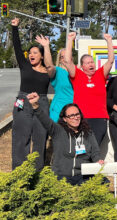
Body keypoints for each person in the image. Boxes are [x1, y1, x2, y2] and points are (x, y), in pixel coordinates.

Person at [27, 92, 104, 185]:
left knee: (104, 182)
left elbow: (95, 152)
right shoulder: (58, 131)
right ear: (64, 119)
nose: (75, 117)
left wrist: (98, 160)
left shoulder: (88, 132)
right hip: (62, 176)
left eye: (77, 114)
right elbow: (45, 121)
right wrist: (35, 105)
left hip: (82, 175)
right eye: (71, 116)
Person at [11, 18, 50, 170]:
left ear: (41, 56)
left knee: (40, 139)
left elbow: (52, 65)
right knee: (21, 138)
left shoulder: (49, 71)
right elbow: (17, 47)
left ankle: (37, 173)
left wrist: (46, 47)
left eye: (35, 53)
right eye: (30, 53)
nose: (31, 55)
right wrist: (15, 28)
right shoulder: (25, 65)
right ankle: (20, 174)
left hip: (41, 105)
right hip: (23, 101)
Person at [64, 32, 114, 145]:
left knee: (95, 147)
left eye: (92, 62)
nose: (91, 64)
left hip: (99, 118)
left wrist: (109, 41)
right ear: (82, 66)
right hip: (81, 118)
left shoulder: (100, 74)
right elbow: (67, 61)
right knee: (83, 148)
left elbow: (110, 61)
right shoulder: (77, 75)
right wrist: (70, 40)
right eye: (87, 63)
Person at [35, 36, 73, 123]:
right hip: (59, 111)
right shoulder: (57, 71)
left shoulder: (77, 71)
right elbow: (49, 66)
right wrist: (46, 46)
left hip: (74, 111)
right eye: (63, 57)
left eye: (68, 56)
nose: (66, 59)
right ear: (59, 60)